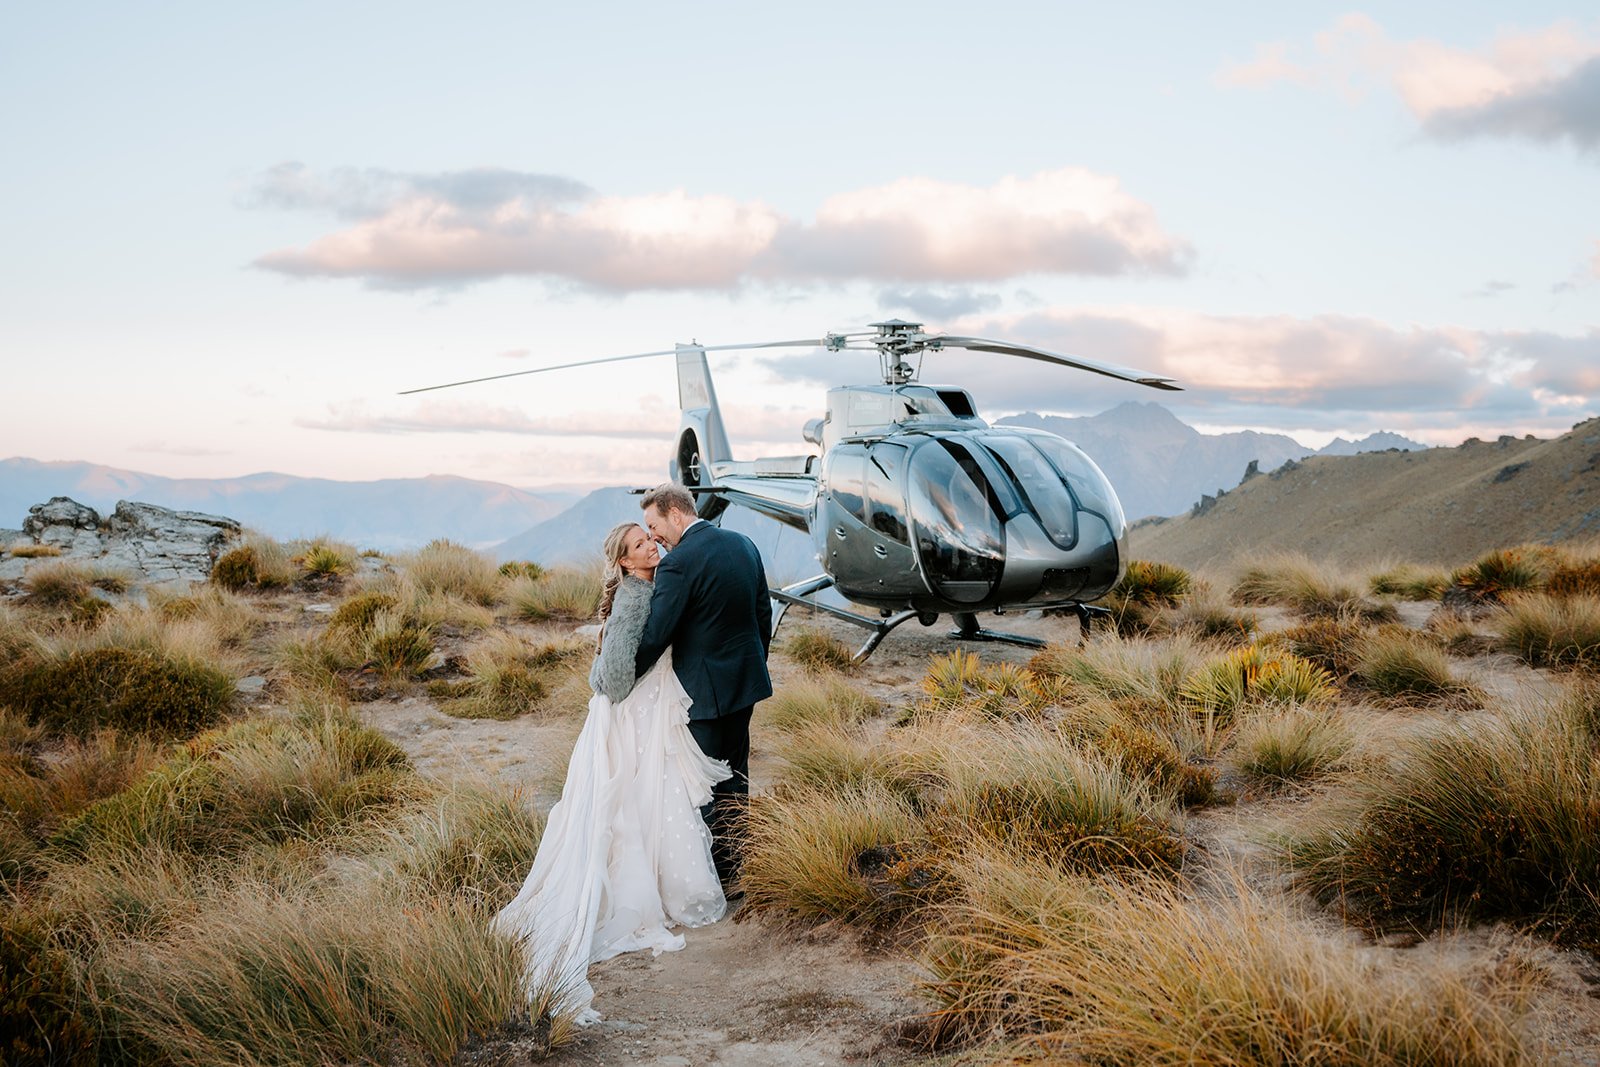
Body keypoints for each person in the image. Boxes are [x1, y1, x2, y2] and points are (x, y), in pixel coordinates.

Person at [492, 521, 731, 1024]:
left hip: (650, 705)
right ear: (625, 561)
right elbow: (616, 675)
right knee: (639, 795)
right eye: (641, 544)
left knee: (654, 794)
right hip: (635, 712)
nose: (652, 545)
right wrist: (611, 677)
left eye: (651, 538)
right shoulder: (634, 596)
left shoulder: (648, 584)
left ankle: (666, 886)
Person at [633, 483, 773, 891]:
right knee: (737, 775)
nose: (653, 535)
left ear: (675, 515)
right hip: (745, 684)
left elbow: (658, 633)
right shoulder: (744, 544)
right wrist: (753, 664)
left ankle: (717, 879)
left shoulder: (679, 564)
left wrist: (623, 676)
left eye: (653, 524)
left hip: (703, 691)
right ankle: (738, 867)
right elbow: (761, 614)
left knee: (704, 783)